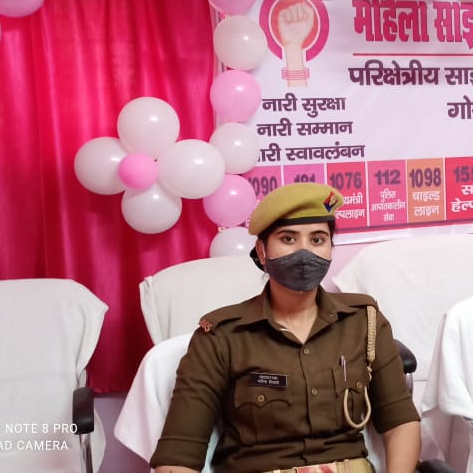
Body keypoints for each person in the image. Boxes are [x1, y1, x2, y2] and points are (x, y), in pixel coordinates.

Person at [150, 183, 420, 473]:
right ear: (262, 251)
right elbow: (178, 455)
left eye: (318, 239)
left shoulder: (363, 322)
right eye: (288, 238)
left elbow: (400, 422)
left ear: (330, 248)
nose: (304, 252)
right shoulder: (221, 337)